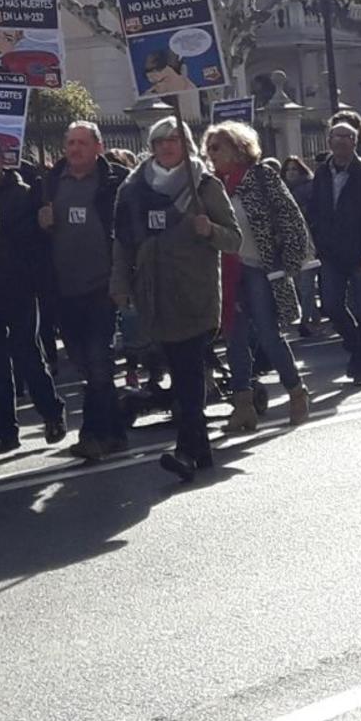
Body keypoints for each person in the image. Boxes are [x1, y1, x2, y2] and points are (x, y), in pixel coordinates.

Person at [112, 117, 239, 482]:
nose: (168, 146)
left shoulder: (203, 185)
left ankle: (185, 449)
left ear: (187, 145)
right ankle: (200, 450)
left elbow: (233, 239)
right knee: (180, 370)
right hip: (153, 292)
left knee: (186, 371)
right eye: (161, 141)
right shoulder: (133, 187)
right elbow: (122, 240)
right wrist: (120, 283)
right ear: (152, 147)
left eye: (175, 140)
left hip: (194, 291)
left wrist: (209, 229)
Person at [204, 122, 312, 431]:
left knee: (267, 333)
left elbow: (292, 220)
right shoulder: (211, 185)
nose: (210, 154)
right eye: (208, 148)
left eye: (216, 147)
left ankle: (296, 391)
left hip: (259, 268)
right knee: (235, 339)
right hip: (228, 271)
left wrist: (287, 264)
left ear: (237, 148)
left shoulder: (261, 177)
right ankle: (243, 406)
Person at [0, 136, 67, 455]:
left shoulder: (23, 195)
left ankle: (51, 413)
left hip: (19, 288)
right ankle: (3, 430)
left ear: (1, 161)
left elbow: (38, 242)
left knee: (26, 353)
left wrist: (44, 222)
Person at [38, 121, 129, 460]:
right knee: (84, 365)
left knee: (99, 361)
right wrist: (41, 222)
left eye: (81, 143)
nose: (74, 149)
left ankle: (92, 434)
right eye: (70, 142)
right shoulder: (49, 184)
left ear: (98, 147)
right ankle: (116, 432)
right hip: (63, 289)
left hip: (101, 287)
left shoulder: (114, 181)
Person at [304, 122, 361, 388]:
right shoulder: (322, 173)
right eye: (337, 136)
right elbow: (316, 209)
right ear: (328, 140)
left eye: (347, 137)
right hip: (331, 253)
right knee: (330, 304)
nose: (341, 141)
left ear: (355, 142)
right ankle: (357, 345)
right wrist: (317, 240)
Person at [279, 155, 324, 336]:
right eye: (288, 170)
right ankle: (315, 318)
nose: (291, 173)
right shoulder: (281, 191)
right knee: (299, 285)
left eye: (294, 170)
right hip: (290, 243)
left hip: (309, 241)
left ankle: (306, 322)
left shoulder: (309, 188)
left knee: (306, 286)